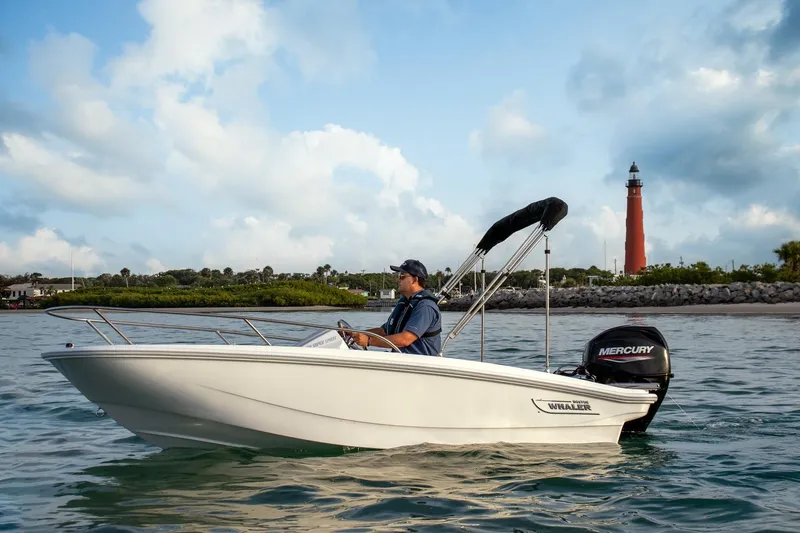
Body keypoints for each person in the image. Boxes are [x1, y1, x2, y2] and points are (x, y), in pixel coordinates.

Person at [351, 259, 442, 356]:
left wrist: (369, 341)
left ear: (415, 280)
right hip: (402, 360)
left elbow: (405, 339)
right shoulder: (406, 303)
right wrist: (354, 334)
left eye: (402, 276)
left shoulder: (425, 307)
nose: (397, 280)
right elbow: (384, 331)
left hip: (419, 365)